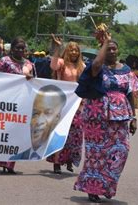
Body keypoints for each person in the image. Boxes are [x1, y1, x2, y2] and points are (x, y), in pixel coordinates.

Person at [74, 32, 138, 203]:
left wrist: (134, 117)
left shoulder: (126, 70)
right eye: (108, 49)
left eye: (113, 48)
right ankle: (93, 187)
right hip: (97, 116)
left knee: (121, 150)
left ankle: (107, 185)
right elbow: (95, 64)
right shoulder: (97, 67)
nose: (111, 51)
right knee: (96, 154)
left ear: (118, 51)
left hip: (121, 117)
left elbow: (130, 93)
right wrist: (105, 42)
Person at [0, 37, 35, 173]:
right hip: (6, 101)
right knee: (5, 130)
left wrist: (30, 77)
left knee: (17, 132)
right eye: (17, 48)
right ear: (12, 49)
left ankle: (10, 163)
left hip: (21, 102)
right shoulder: (5, 61)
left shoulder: (28, 63)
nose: (20, 50)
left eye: (22, 48)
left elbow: (34, 79)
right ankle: (2, 160)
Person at [46, 35, 85, 174]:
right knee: (60, 132)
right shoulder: (62, 63)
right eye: (71, 50)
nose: (74, 52)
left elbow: (85, 83)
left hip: (77, 105)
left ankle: (69, 159)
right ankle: (56, 162)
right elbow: (53, 65)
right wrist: (57, 48)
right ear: (67, 51)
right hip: (62, 104)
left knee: (75, 134)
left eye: (76, 50)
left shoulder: (82, 66)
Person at [10, 84, 67, 160]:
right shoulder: (18, 154)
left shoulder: (60, 145)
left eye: (48, 113)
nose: (39, 121)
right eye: (35, 113)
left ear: (57, 118)